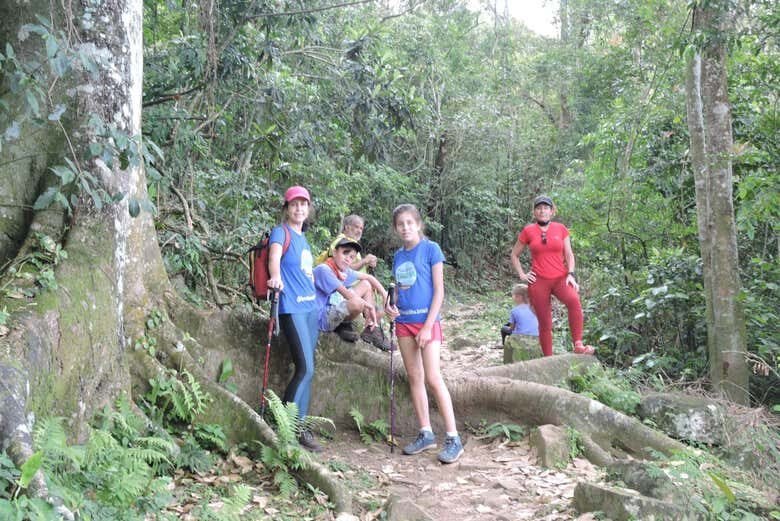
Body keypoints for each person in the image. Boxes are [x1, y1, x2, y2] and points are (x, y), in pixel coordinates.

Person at [384, 204, 463, 464]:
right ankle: (425, 432)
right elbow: (399, 291)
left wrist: (428, 326)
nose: (405, 227)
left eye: (409, 222)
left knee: (433, 377)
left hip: (427, 322)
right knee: (415, 377)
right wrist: (390, 307)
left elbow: (439, 291)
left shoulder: (431, 249)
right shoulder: (397, 256)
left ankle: (453, 438)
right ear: (396, 229)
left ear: (418, 224)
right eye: (400, 224)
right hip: (404, 323)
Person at [267, 185, 323, 452]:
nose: (299, 208)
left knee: (309, 371)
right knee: (305, 368)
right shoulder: (281, 232)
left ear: (308, 208)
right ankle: (285, 427)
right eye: (294, 204)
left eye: (304, 204)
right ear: (287, 208)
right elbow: (274, 257)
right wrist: (275, 277)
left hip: (310, 308)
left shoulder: (303, 238)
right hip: (292, 308)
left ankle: (301, 427)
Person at [509, 195, 595, 357]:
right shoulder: (528, 231)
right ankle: (548, 358)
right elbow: (514, 255)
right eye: (539, 208)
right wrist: (522, 274)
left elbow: (569, 254)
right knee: (545, 321)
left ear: (552, 211)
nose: (542, 211)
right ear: (534, 212)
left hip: (560, 278)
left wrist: (571, 274)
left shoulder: (560, 228)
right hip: (538, 281)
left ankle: (578, 343)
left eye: (546, 208)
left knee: (574, 300)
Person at [313, 237, 391, 351]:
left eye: (352, 257)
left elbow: (369, 277)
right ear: (334, 253)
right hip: (321, 318)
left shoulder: (343, 271)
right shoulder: (324, 269)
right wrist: (371, 310)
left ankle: (370, 328)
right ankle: (345, 324)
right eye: (345, 253)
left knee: (365, 284)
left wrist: (385, 295)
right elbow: (347, 295)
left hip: (333, 307)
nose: (348, 259)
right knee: (356, 304)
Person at [315, 215, 379, 343]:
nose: (359, 230)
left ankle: (371, 327)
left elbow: (350, 270)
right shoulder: (341, 242)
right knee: (359, 303)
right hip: (335, 293)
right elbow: (345, 267)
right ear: (346, 227)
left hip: (343, 288)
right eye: (356, 227)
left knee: (367, 288)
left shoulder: (353, 246)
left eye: (361, 228)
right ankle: (355, 325)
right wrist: (365, 261)